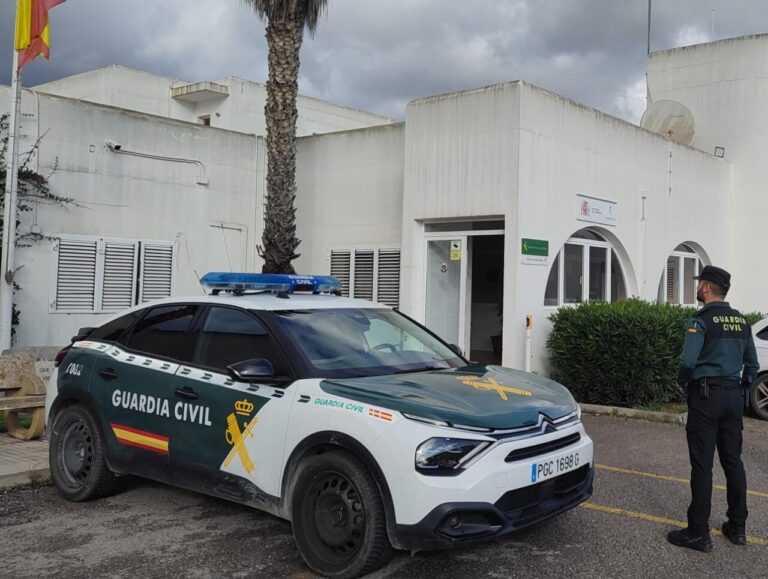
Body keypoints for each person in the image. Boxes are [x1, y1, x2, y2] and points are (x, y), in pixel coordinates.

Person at [667, 265, 759, 553]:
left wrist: (682, 382)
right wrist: (740, 387)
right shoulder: (741, 321)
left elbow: (687, 361)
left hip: (706, 398)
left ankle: (697, 532)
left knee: (702, 466)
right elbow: (753, 365)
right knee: (733, 462)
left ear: (706, 287)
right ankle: (737, 527)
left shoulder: (701, 319)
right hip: (733, 398)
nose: (697, 288)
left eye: (699, 284)